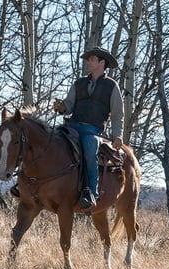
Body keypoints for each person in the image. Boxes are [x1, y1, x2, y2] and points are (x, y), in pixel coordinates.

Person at [53, 47, 124, 209]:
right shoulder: (79, 83)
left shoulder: (111, 86)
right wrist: (61, 106)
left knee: (90, 151)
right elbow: (69, 105)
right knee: (47, 140)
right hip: (71, 126)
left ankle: (91, 192)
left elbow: (117, 114)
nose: (88, 62)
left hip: (93, 131)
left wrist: (117, 135)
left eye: (92, 59)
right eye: (88, 59)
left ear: (101, 63)